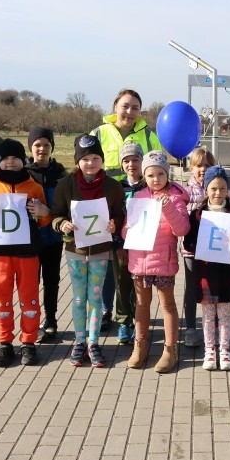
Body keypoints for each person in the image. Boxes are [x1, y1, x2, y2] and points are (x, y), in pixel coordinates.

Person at [0, 139, 52, 367]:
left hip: (28, 254)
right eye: (5, 158)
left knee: (29, 299)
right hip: (1, 255)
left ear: (23, 160)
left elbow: (44, 220)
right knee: (2, 298)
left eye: (15, 158)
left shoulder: (34, 186)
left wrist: (44, 212)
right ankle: (4, 343)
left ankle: (28, 343)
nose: (10, 162)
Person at [91, 89, 163, 334]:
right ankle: (104, 311)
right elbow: (86, 166)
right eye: (125, 106)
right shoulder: (98, 133)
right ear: (115, 107)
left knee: (126, 265)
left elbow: (160, 170)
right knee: (105, 262)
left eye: (135, 108)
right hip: (105, 206)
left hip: (138, 207)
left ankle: (127, 317)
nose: (129, 112)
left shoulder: (150, 136)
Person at [51, 135, 125, 367]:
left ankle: (93, 343)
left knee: (95, 297)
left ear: (102, 160)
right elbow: (56, 215)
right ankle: (79, 342)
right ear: (77, 161)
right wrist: (62, 224)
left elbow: (119, 215)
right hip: (75, 250)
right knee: (78, 297)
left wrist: (115, 224)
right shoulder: (66, 184)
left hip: (101, 250)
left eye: (95, 158)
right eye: (85, 159)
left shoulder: (112, 187)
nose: (91, 163)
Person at [123, 150, 190, 373]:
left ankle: (170, 350)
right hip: (140, 263)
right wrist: (126, 229)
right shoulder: (138, 197)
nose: (156, 179)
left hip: (163, 262)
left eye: (160, 174)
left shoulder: (175, 198)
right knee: (141, 305)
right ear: (144, 176)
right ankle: (140, 347)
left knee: (168, 305)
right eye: (151, 175)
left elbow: (182, 229)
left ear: (167, 174)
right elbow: (126, 231)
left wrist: (168, 207)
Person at [183, 165, 230, 371]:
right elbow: (187, 243)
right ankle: (210, 349)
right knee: (208, 315)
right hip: (206, 273)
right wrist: (197, 243)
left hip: (226, 272)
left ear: (227, 189)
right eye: (213, 189)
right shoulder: (197, 215)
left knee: (225, 313)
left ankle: (225, 350)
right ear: (206, 190)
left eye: (222, 188)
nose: (218, 193)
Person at [25, 127, 68, 343]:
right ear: (30, 147)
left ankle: (50, 320)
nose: (42, 149)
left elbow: (67, 206)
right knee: (31, 282)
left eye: (46, 145)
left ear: (52, 147)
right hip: (30, 240)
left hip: (54, 238)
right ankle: (33, 322)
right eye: (37, 145)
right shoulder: (23, 174)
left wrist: (48, 214)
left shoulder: (61, 174)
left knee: (52, 280)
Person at [180, 147, 216, 349]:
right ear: (191, 168)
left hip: (214, 249)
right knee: (192, 287)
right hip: (191, 249)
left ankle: (210, 326)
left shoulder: (221, 188)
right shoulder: (185, 192)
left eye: (208, 166)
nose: (203, 170)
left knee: (211, 286)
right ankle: (191, 329)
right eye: (199, 166)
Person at [113, 141, 147, 345]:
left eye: (135, 159)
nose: (131, 164)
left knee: (141, 287)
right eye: (126, 160)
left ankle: (139, 321)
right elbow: (113, 216)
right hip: (123, 246)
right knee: (122, 284)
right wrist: (117, 244)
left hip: (144, 246)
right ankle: (125, 322)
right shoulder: (117, 187)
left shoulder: (149, 185)